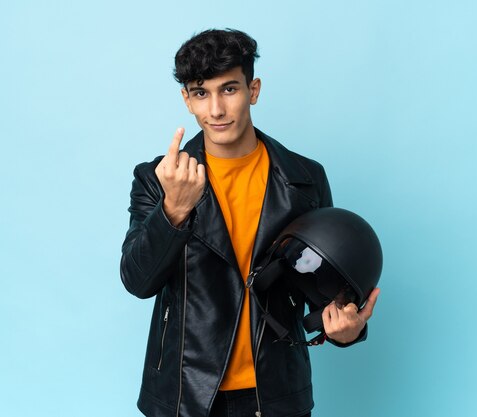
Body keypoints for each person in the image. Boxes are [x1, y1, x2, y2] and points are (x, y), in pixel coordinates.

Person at [120, 28, 380, 417]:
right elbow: (137, 281)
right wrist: (174, 211)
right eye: (200, 93)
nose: (216, 111)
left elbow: (325, 291)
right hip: (184, 394)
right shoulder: (158, 178)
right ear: (187, 100)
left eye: (229, 90)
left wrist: (347, 330)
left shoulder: (303, 179)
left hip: (276, 394)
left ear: (253, 90)